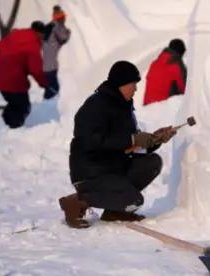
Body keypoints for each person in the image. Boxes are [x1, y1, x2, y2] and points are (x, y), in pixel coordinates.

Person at [59, 61, 178, 228]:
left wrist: (153, 140)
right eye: (133, 84)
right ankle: (76, 201)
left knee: (152, 162)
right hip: (91, 173)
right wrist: (131, 140)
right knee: (135, 201)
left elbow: (129, 143)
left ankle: (114, 211)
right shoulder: (95, 106)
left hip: (114, 168)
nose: (136, 89)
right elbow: (91, 140)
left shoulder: (124, 106)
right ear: (121, 84)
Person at [0, 21, 48, 128]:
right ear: (39, 33)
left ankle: (1, 126)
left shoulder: (14, 35)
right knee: (23, 107)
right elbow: (36, 69)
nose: (43, 40)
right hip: (14, 82)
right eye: (43, 36)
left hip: (0, 78)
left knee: (14, 104)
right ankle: (13, 130)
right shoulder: (33, 45)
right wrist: (45, 83)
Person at [143, 38, 188, 105]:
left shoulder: (155, 63)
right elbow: (183, 89)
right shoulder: (178, 64)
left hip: (147, 106)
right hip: (164, 107)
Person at [42, 5, 71, 99]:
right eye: (63, 18)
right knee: (55, 89)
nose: (65, 19)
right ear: (61, 18)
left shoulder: (49, 26)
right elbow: (64, 37)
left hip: (45, 65)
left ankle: (45, 106)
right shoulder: (58, 27)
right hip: (52, 65)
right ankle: (48, 108)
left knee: (50, 89)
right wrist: (69, 32)